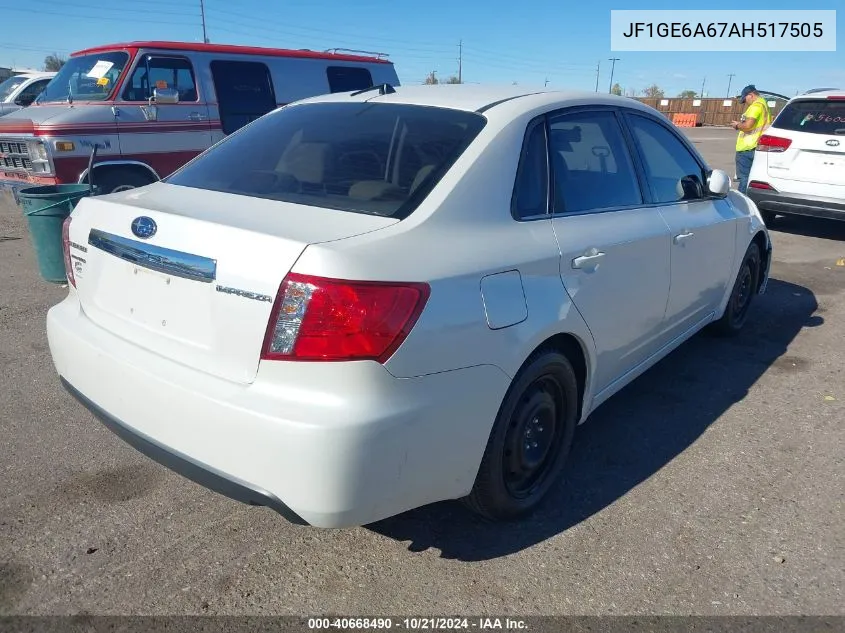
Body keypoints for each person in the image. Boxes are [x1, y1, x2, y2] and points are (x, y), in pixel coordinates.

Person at [731, 85, 773, 195]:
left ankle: (742, 203)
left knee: (744, 178)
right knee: (752, 178)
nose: (745, 102)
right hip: (757, 146)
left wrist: (737, 125)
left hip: (747, 147)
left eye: (745, 99)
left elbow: (748, 125)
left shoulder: (756, 106)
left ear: (751, 95)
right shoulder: (764, 105)